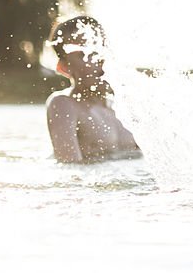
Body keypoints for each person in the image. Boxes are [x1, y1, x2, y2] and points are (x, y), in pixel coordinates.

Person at [45, 16, 140, 163]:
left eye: (99, 48)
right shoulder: (64, 105)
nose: (98, 58)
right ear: (64, 68)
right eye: (84, 54)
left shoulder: (127, 108)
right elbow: (70, 169)